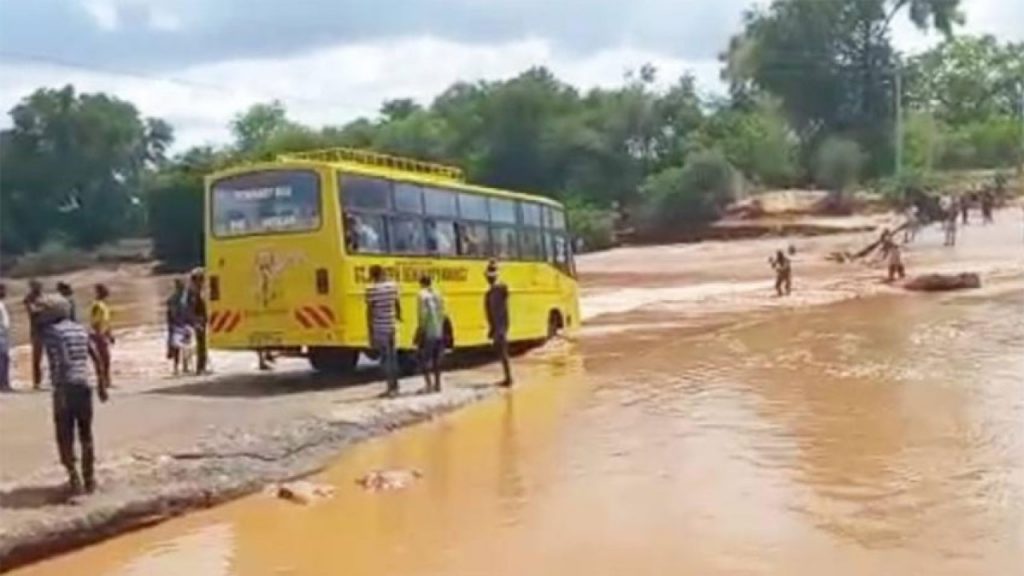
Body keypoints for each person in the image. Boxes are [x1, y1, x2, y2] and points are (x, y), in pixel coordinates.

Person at [39, 294, 107, 495]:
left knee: (64, 434)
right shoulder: (79, 329)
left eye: (43, 311)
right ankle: (90, 480)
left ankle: (74, 478)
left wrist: (60, 392)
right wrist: (102, 384)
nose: (40, 315)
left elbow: (63, 360)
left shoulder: (52, 332)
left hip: (65, 386)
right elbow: (95, 357)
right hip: (84, 385)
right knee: (86, 434)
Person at [366, 265, 402, 397]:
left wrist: (370, 331)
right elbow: (397, 304)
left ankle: (390, 388)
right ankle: (396, 387)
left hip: (380, 328)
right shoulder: (393, 287)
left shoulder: (371, 289)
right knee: (393, 357)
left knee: (385, 358)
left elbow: (369, 311)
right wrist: (398, 317)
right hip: (392, 325)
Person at [484, 260, 512, 387]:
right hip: (499, 326)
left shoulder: (497, 290)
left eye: (489, 277)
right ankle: (507, 377)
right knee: (501, 352)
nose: (488, 279)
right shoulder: (492, 292)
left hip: (500, 326)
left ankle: (508, 378)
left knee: (503, 352)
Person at [416, 275, 445, 394]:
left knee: (424, 358)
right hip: (439, 330)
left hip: (428, 330)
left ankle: (428, 385)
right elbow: (442, 312)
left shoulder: (421, 295)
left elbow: (423, 314)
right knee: (437, 359)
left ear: (421, 283)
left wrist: (421, 330)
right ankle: (438, 385)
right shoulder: (438, 294)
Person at [89, 284, 114, 389]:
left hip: (104, 334)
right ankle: (103, 381)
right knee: (103, 358)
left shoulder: (104, 305)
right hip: (99, 335)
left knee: (106, 359)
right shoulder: (96, 305)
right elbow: (95, 322)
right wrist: (99, 335)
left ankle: (107, 380)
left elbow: (106, 322)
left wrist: (110, 334)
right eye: (105, 290)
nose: (107, 292)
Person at [185, 268, 209, 374]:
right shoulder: (193, 292)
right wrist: (196, 322)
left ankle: (199, 367)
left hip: (198, 320)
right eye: (202, 279)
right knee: (201, 344)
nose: (203, 282)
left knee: (199, 344)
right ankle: (200, 368)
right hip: (197, 320)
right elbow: (192, 308)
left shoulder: (193, 290)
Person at [23, 279, 45, 389]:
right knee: (37, 357)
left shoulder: (42, 297)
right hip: (37, 330)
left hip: (46, 329)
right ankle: (37, 382)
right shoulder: (29, 299)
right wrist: (44, 308)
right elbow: (32, 311)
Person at [165, 278, 188, 368]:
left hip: (178, 325)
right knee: (182, 347)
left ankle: (179, 366)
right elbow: (172, 314)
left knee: (181, 347)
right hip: (179, 325)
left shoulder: (174, 299)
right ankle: (180, 366)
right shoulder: (176, 299)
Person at [0, 283, 11, 392]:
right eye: (2, 290)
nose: (5, 293)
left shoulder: (1, 304)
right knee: (3, 359)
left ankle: (4, 383)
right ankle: (3, 384)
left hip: (3, 335)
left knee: (5, 359)